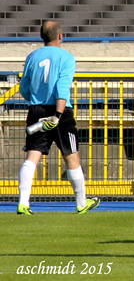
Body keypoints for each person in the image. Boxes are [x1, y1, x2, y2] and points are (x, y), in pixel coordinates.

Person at [17, 21, 99, 216]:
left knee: (32, 156)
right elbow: (62, 87)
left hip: (36, 109)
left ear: (42, 36)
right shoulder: (66, 57)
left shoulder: (32, 56)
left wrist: (36, 100)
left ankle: (22, 203)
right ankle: (81, 203)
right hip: (60, 111)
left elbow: (24, 89)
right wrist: (58, 114)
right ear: (61, 36)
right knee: (71, 156)